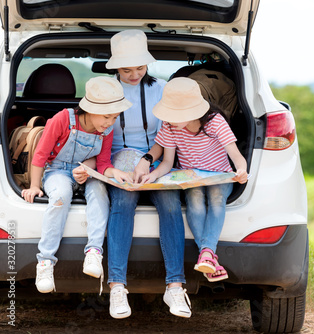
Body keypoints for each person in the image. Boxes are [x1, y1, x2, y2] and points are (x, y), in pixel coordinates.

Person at [104, 29, 191, 319]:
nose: (134, 74)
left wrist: (147, 159)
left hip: (157, 157)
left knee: (169, 205)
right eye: (127, 69)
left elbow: (166, 135)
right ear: (115, 67)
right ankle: (117, 286)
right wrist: (120, 166)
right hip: (119, 157)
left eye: (140, 68)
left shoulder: (161, 88)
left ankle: (175, 285)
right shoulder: (105, 90)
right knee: (123, 202)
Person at [22, 76, 133, 294]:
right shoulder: (62, 119)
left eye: (115, 117)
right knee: (60, 196)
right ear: (89, 109)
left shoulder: (107, 130)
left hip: (87, 172)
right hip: (58, 171)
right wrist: (35, 185)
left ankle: (94, 251)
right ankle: (45, 261)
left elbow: (103, 164)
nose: (110, 123)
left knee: (100, 192)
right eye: (106, 117)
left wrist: (114, 172)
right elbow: (41, 155)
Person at [142, 77, 248, 283]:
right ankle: (209, 257)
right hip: (191, 177)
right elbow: (167, 162)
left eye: (176, 115)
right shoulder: (170, 126)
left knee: (217, 197)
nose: (171, 119)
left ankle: (207, 251)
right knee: (195, 200)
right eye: (169, 114)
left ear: (194, 111)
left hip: (220, 175)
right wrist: (152, 175)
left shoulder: (216, 121)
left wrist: (241, 170)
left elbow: (236, 157)